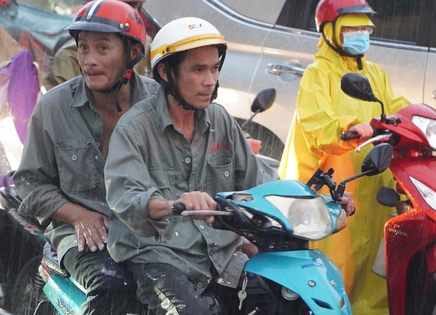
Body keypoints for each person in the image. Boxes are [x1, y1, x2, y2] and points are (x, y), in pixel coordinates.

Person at [104, 16, 355, 314]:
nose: (210, 80)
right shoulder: (135, 128)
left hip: (221, 254)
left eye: (214, 68)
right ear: (165, 72)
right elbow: (125, 197)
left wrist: (322, 202)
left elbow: (261, 184)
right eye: (198, 69)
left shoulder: (221, 120)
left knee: (288, 301)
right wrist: (175, 203)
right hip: (158, 255)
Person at [12, 1, 159, 314]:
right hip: (76, 236)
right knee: (113, 287)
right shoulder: (53, 107)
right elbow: (28, 182)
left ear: (132, 53)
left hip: (145, 234)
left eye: (103, 48)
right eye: (83, 49)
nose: (89, 60)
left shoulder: (160, 106)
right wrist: (78, 215)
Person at [277, 0, 410, 314]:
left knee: (374, 272)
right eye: (351, 28)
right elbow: (316, 124)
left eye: (365, 27)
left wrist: (428, 122)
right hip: (332, 188)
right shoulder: (318, 74)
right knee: (334, 274)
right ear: (330, 31)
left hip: (371, 185)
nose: (360, 34)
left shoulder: (375, 74)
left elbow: (397, 109)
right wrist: (350, 128)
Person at [43, 0, 152, 90]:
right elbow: (59, 108)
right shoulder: (68, 56)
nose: (90, 61)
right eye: (83, 47)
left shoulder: (149, 47)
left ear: (134, 52)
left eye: (132, 6)